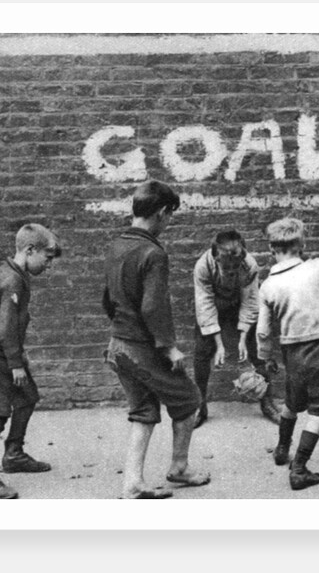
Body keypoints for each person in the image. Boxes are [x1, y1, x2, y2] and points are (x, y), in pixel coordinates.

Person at [102, 180, 210, 499]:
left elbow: (107, 300)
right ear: (162, 213)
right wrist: (169, 347)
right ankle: (179, 467)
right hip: (142, 350)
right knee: (189, 399)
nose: (169, 222)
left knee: (144, 410)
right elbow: (153, 306)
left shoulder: (116, 246)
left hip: (117, 347)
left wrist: (122, 327)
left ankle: (132, 483)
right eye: (171, 216)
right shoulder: (152, 252)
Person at [256, 217, 319, 491]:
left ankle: (282, 448)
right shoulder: (315, 268)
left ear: (270, 248)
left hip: (293, 352)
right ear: (302, 244)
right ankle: (299, 468)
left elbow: (263, 331)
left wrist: (265, 358)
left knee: (291, 402)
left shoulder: (267, 286)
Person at [0, 223, 61, 499]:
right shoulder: (11, 280)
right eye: (47, 257)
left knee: (27, 396)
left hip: (6, 353)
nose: (48, 264)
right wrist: (15, 364)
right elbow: (6, 328)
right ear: (30, 250)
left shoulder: (17, 274)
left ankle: (13, 454)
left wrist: (16, 357)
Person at [192, 230, 281, 428]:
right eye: (226, 267)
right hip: (213, 305)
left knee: (259, 347)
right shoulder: (203, 266)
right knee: (201, 352)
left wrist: (242, 339)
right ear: (216, 257)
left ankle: (267, 402)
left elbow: (250, 302)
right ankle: (200, 405)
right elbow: (204, 304)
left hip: (239, 304)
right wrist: (219, 344)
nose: (231, 271)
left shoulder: (249, 265)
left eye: (235, 267)